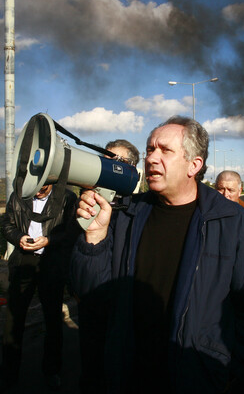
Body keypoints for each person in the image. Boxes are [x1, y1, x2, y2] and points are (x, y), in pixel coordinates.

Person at [71, 116, 244, 393]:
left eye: (165, 150)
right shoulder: (124, 215)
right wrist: (94, 239)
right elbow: (91, 296)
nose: (151, 158)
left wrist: (230, 369)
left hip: (196, 377)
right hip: (130, 374)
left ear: (193, 165)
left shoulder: (234, 224)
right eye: (149, 149)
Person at [0, 180, 79, 392]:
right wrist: (19, 237)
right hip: (24, 260)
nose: (41, 189)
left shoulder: (67, 198)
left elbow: (72, 231)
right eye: (38, 185)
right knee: (14, 319)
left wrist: (49, 240)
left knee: (52, 318)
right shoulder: (19, 195)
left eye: (46, 185)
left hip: (51, 262)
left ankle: (52, 371)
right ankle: (8, 376)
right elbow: (7, 223)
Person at [77, 139, 140, 394]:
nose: (107, 166)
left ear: (131, 169)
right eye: (106, 160)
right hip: (92, 313)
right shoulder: (85, 206)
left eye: (117, 162)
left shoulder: (138, 211)